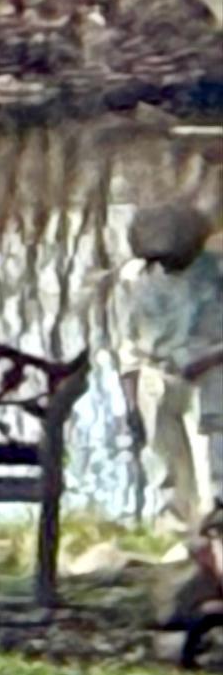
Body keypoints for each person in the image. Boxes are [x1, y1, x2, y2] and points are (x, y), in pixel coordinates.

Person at [116, 202, 223, 536]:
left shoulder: (217, 274)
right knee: (163, 458)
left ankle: (213, 523)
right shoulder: (134, 279)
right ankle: (177, 528)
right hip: (155, 375)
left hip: (209, 375)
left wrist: (211, 358)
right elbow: (128, 340)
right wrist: (131, 395)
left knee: (211, 454)